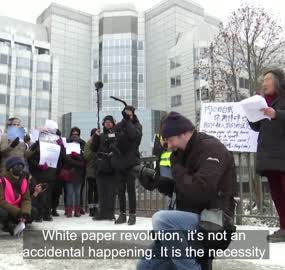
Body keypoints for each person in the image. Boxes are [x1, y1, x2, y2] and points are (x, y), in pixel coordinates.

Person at [136, 112, 237, 270]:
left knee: (162, 219)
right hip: (189, 218)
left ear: (183, 133)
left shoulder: (211, 148)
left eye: (170, 140)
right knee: (145, 266)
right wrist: (157, 181)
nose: (169, 146)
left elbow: (200, 191)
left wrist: (175, 167)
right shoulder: (181, 152)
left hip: (213, 221)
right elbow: (182, 189)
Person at [249, 69, 285, 248]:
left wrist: (275, 113)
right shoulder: (263, 101)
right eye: (263, 80)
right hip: (267, 154)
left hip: (284, 153)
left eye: (267, 79)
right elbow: (257, 126)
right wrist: (251, 113)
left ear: (277, 81)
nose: (264, 83)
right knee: (277, 194)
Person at [0, 157, 35, 237]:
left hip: (15, 208)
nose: (20, 168)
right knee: (2, 213)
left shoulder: (24, 181)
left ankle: (14, 225)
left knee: (32, 211)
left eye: (21, 165)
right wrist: (18, 212)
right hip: (1, 208)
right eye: (17, 166)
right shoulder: (0, 181)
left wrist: (25, 212)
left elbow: (26, 199)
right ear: (10, 169)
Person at [27, 130, 63, 221]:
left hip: (50, 174)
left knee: (48, 196)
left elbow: (61, 158)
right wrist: (38, 165)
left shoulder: (55, 145)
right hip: (38, 174)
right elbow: (29, 158)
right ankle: (39, 214)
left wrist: (61, 146)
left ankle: (47, 214)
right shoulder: (35, 145)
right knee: (40, 195)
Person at [115, 106, 142, 225]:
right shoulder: (118, 125)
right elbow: (116, 140)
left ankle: (132, 214)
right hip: (120, 160)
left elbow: (133, 137)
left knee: (131, 189)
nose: (127, 114)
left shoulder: (137, 125)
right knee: (120, 189)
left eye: (129, 113)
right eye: (125, 113)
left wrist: (127, 122)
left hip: (131, 161)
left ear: (132, 113)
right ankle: (122, 214)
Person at [90, 115, 119, 221]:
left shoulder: (116, 134)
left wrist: (113, 135)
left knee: (111, 192)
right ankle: (102, 213)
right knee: (101, 191)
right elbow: (93, 148)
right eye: (106, 122)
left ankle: (110, 213)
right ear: (103, 124)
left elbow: (115, 147)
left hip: (111, 167)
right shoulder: (100, 135)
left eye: (110, 122)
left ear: (113, 123)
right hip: (101, 166)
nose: (108, 124)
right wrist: (96, 136)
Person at [59, 127, 86, 218]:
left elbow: (83, 160)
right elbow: (65, 158)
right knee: (69, 193)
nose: (75, 136)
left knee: (78, 193)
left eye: (77, 134)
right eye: (73, 134)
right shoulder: (66, 143)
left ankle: (77, 211)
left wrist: (76, 156)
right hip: (69, 172)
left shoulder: (82, 144)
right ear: (71, 134)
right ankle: (69, 210)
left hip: (78, 173)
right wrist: (75, 160)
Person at [84, 128, 98, 217]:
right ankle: (91, 208)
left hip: (98, 170)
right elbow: (86, 157)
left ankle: (96, 208)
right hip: (90, 169)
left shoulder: (99, 142)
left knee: (97, 190)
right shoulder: (88, 143)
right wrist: (93, 150)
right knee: (91, 190)